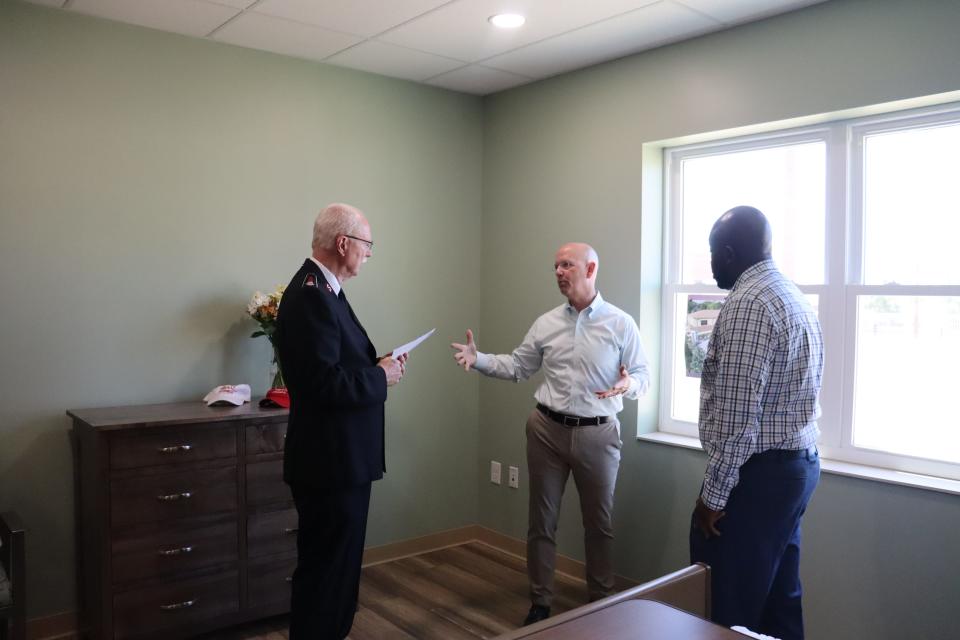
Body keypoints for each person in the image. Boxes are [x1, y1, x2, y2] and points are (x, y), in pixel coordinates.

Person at [451, 242, 650, 626]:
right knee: (541, 522)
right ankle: (540, 602)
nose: (559, 272)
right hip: (546, 431)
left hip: (598, 434)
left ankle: (601, 602)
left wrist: (629, 385)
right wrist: (480, 360)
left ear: (590, 269)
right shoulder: (546, 323)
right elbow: (518, 366)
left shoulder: (621, 323)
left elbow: (643, 376)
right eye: (556, 266)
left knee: (600, 524)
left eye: (567, 265)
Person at [690, 206, 823, 640]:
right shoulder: (791, 295)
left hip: (758, 477)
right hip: (796, 468)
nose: (710, 264)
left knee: (726, 608)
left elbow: (737, 419)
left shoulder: (748, 304)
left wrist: (712, 497)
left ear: (729, 253)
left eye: (712, 253)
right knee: (780, 602)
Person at [276, 202, 406, 640]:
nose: (369, 254)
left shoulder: (326, 290)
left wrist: (377, 366)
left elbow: (339, 365)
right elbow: (322, 385)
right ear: (343, 243)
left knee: (340, 570)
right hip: (329, 464)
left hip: (341, 460)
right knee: (325, 573)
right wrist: (380, 377)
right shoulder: (311, 295)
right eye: (367, 245)